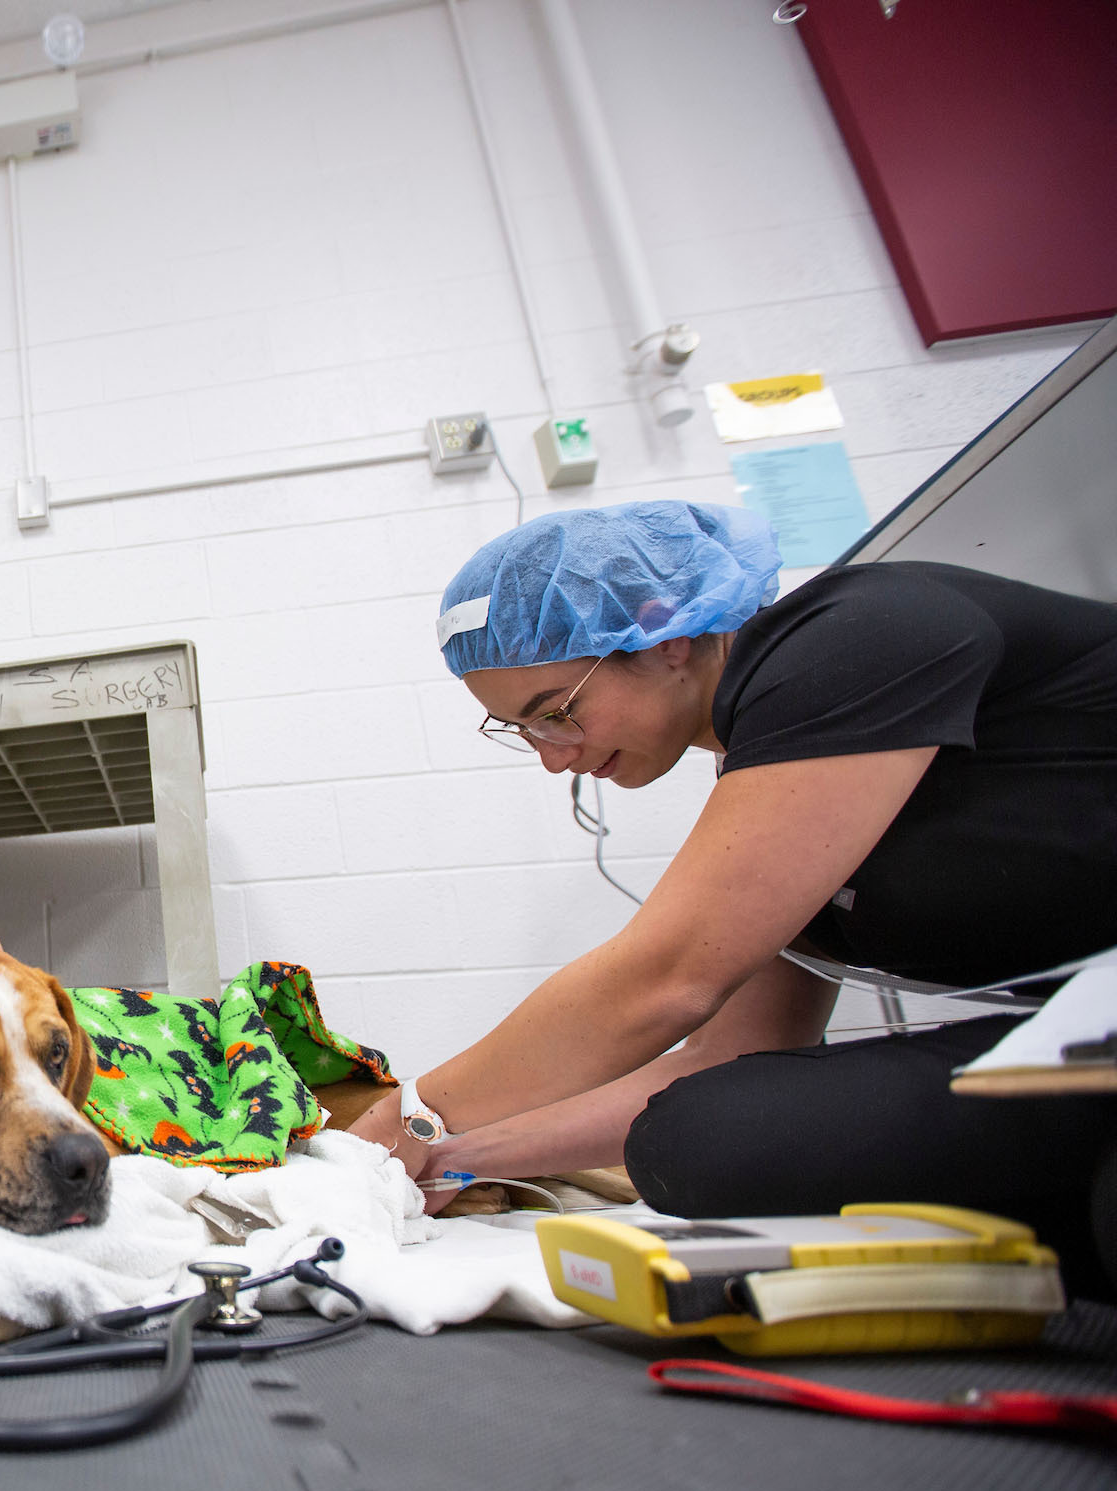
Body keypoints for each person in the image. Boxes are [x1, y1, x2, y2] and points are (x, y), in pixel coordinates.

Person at [346, 502, 1117, 1287]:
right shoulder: (767, 760)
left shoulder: (861, 636)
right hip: (1078, 1039)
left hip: (1094, 1036)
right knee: (701, 1136)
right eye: (524, 731)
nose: (554, 759)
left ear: (664, 633)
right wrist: (446, 1161)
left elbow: (669, 980)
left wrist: (414, 1110)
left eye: (557, 713)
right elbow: (734, 1053)